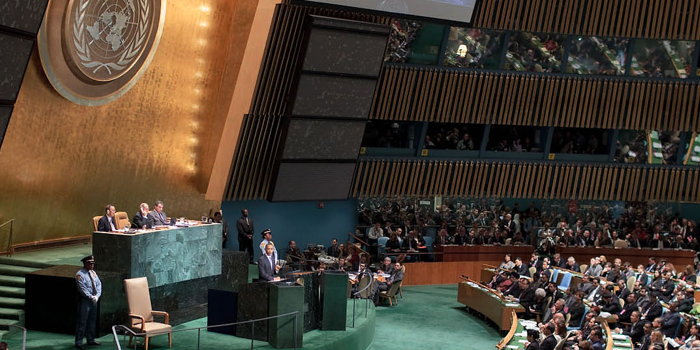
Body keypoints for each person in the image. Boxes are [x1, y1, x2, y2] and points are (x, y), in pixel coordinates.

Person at [75, 255, 102, 350]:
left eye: (93, 264)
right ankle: (79, 342)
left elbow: (99, 284)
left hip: (94, 300)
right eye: (90, 263)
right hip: (85, 301)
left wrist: (97, 296)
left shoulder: (93, 273)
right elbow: (82, 289)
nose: (92, 265)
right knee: (82, 321)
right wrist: (91, 297)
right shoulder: (80, 275)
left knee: (92, 320)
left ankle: (90, 339)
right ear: (85, 263)